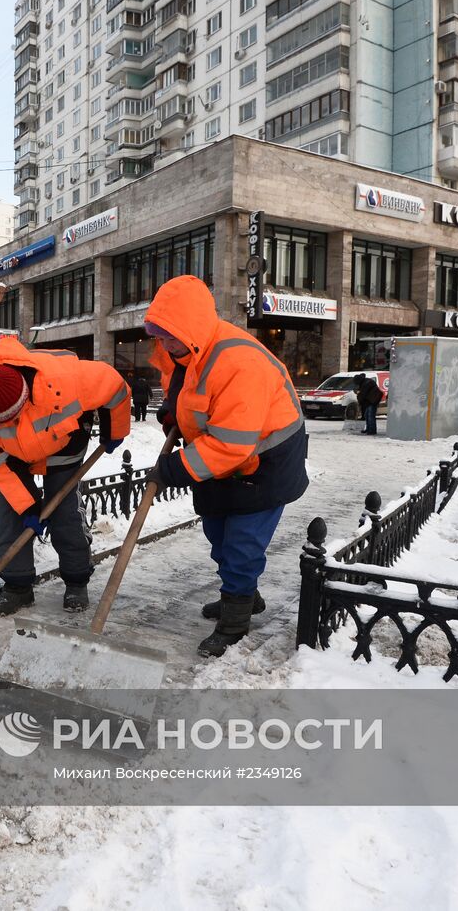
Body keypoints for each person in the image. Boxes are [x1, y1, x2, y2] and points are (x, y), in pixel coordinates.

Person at [144, 275, 310, 658]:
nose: (164, 345)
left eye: (170, 337)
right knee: (217, 531)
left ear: (191, 329)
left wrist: (172, 470)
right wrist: (175, 411)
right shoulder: (184, 350)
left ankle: (235, 620)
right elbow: (188, 391)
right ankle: (245, 595)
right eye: (160, 335)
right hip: (221, 456)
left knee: (241, 542)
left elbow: (233, 444)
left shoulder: (238, 361)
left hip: (265, 461)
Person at [0, 335, 131, 615]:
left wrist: (116, 430)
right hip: (14, 454)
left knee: (65, 512)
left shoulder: (71, 379)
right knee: (8, 512)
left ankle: (76, 580)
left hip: (65, 440)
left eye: (10, 419)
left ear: (25, 400)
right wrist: (26, 505)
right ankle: (18, 586)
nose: (5, 425)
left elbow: (116, 387)